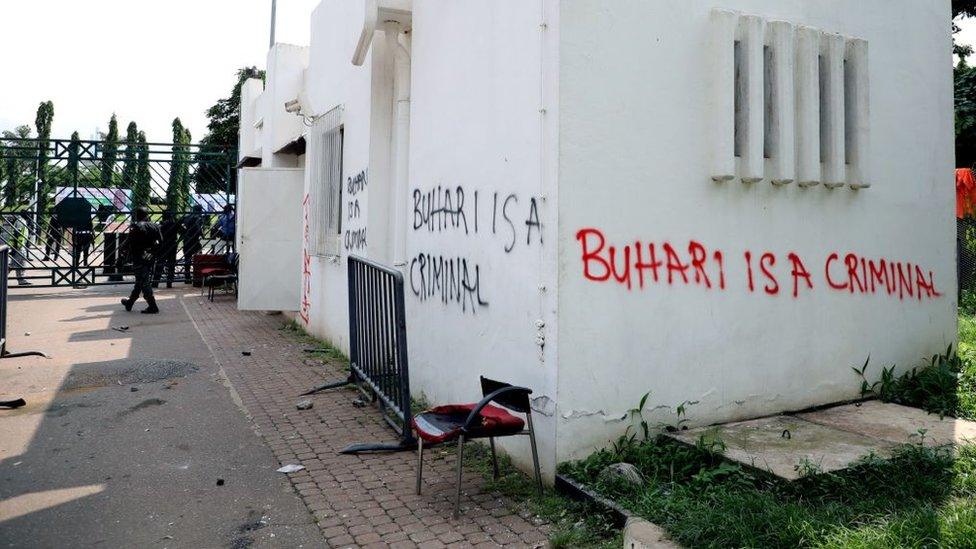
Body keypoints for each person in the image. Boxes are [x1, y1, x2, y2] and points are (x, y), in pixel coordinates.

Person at [121, 207, 162, 314]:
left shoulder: (136, 227)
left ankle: (153, 306)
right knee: (140, 280)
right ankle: (130, 303)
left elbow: (127, 243)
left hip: (139, 258)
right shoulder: (155, 226)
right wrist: (152, 252)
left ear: (137, 216)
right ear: (147, 215)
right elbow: (161, 242)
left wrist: (122, 254)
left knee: (144, 282)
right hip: (150, 257)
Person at [153, 211, 179, 288]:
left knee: (160, 264)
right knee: (171, 264)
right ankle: (169, 282)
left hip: (163, 245)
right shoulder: (174, 224)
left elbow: (156, 234)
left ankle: (155, 282)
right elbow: (182, 231)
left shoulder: (161, 225)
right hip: (172, 245)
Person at [180, 204, 205, 284]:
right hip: (194, 240)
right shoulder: (198, 217)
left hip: (186, 239)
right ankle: (197, 276)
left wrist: (183, 233)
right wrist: (201, 234)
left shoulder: (186, 217)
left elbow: (179, 224)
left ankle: (187, 278)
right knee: (198, 258)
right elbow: (198, 227)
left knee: (187, 259)